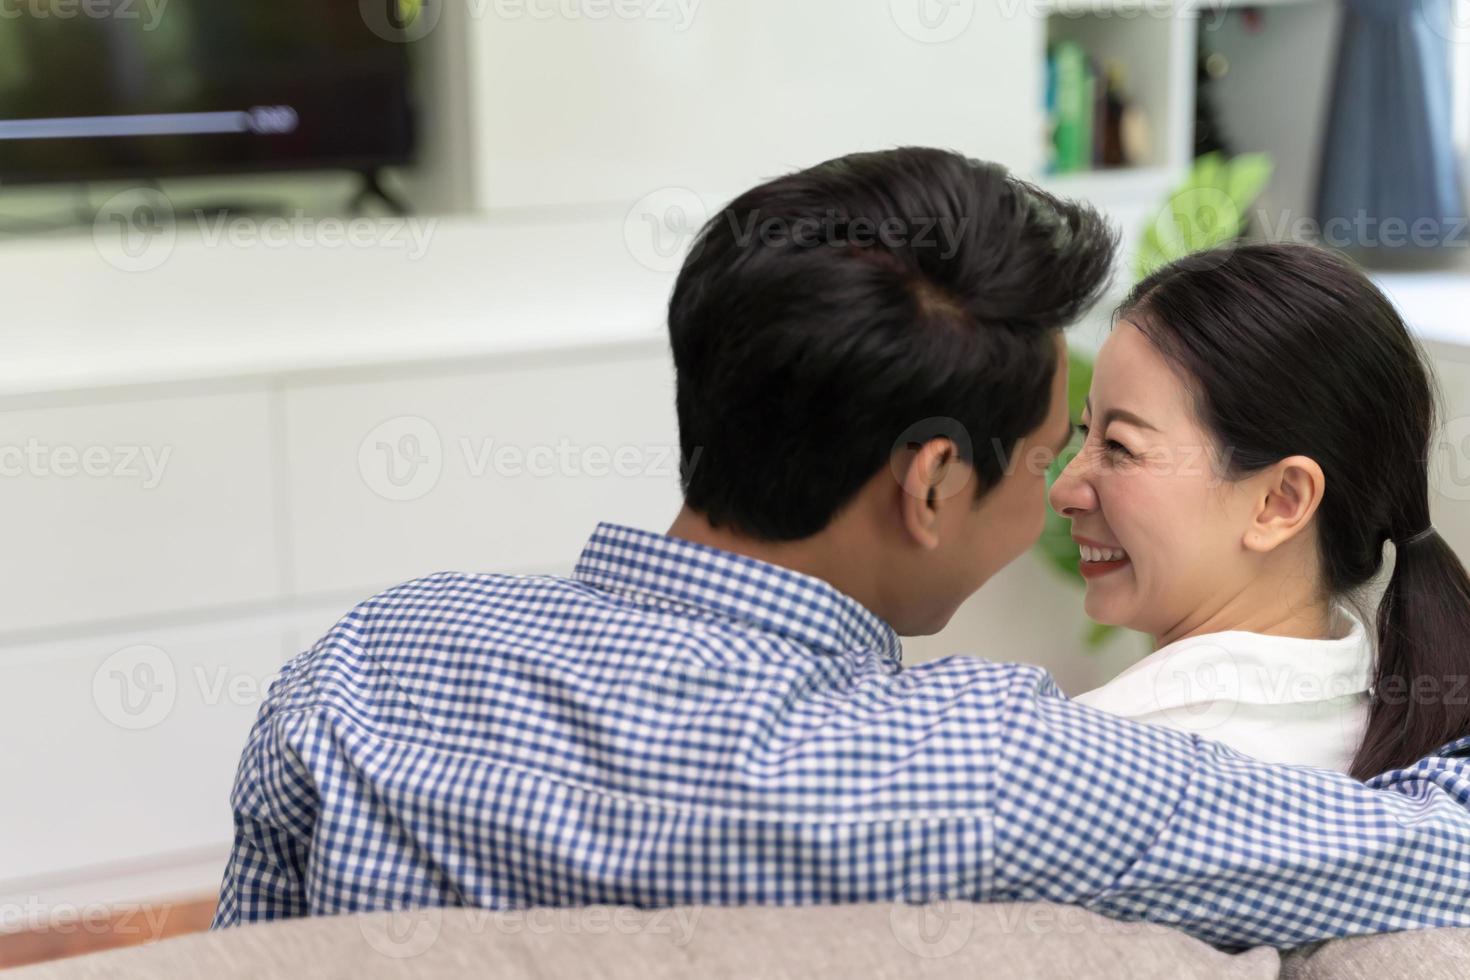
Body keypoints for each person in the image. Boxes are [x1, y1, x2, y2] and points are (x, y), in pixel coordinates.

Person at [212, 148, 1470, 950]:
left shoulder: (369, 656)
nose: (1068, 485)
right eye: (1050, 449)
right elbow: (1423, 859)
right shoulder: (983, 769)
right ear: (932, 484)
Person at [1056, 243, 1470, 777]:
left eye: (1119, 447)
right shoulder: (1403, 738)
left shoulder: (1089, 765)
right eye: (1085, 432)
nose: (1064, 490)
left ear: (1280, 502)